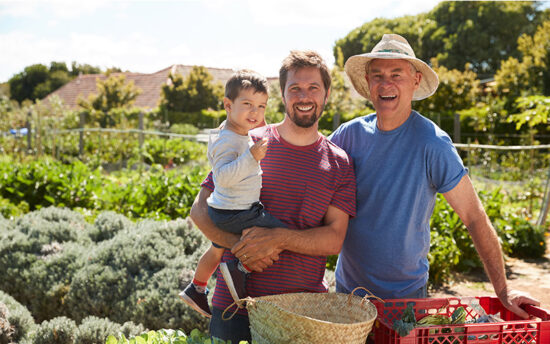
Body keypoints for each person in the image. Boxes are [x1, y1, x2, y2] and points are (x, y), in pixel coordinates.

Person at [329, 33, 540, 318]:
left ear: (415, 81)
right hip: (348, 294)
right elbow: (309, 181)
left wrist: (503, 290)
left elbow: (474, 216)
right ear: (367, 81)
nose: (385, 83)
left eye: (396, 74)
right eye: (377, 75)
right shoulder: (347, 136)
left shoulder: (432, 143)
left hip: (405, 300)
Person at [189, 50, 357, 343]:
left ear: (326, 94)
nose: (304, 96)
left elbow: (335, 238)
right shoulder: (248, 141)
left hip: (302, 313)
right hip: (235, 310)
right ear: (282, 94)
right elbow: (200, 210)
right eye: (295, 88)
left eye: (313, 88)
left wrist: (278, 238)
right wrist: (240, 245)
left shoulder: (339, 162)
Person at [180, 69, 285, 318]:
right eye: (247, 104)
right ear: (228, 105)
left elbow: (251, 127)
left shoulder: (233, 133)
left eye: (261, 106)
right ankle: (239, 267)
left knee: (216, 249)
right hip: (238, 212)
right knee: (280, 235)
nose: (256, 113)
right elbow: (223, 178)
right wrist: (251, 157)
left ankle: (197, 287)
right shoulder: (228, 140)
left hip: (226, 210)